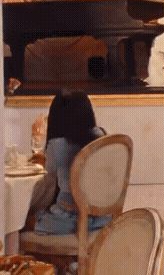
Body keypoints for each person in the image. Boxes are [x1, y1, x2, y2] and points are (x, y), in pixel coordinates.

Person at [32, 90, 110, 234]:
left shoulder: (57, 144)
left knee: (27, 219)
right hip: (103, 220)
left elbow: (48, 183)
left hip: (70, 221)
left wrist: (39, 152)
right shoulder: (102, 137)